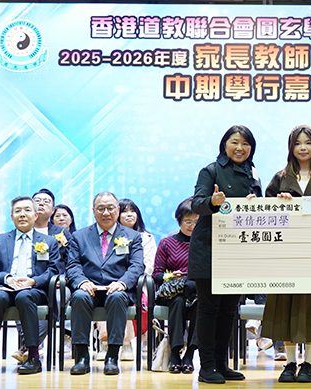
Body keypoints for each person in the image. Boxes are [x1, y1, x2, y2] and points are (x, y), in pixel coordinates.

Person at [261, 125, 311, 383]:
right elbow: (265, 214)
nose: (303, 148)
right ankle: (289, 363)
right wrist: (278, 202)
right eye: (298, 143)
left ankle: (309, 364)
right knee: (285, 306)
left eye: (308, 142)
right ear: (291, 147)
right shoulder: (279, 178)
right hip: (286, 254)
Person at [191, 125, 262, 384]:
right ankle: (206, 366)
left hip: (237, 250)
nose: (240, 148)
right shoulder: (210, 170)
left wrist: (256, 202)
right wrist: (213, 202)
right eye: (235, 142)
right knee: (209, 309)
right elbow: (197, 203)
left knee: (229, 310)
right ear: (225, 145)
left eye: (245, 143)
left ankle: (221, 364)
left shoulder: (253, 172)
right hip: (209, 248)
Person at [0, 196, 60, 375]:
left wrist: (33, 281)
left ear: (36, 215)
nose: (22, 214)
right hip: (4, 287)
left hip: (34, 289)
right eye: (18, 211)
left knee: (24, 296)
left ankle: (33, 357)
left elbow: (54, 271)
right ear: (12, 216)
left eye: (27, 210)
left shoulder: (49, 242)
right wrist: (7, 278)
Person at [67, 191, 145, 375]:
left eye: (110, 208)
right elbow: (72, 264)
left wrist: (123, 283)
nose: (106, 213)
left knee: (117, 297)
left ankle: (112, 356)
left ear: (117, 210)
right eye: (101, 208)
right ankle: (81, 357)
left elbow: (137, 265)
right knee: (79, 296)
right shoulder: (79, 236)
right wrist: (82, 281)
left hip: (117, 288)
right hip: (89, 288)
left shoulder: (132, 236)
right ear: (93, 211)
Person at [13, 188, 73, 363]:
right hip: (27, 282)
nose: (41, 203)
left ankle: (28, 345)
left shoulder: (62, 233)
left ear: (53, 210)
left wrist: (64, 278)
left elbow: (72, 260)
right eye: (37, 200)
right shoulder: (21, 232)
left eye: (46, 201)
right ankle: (31, 345)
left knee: (58, 298)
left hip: (57, 283)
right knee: (19, 295)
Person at [95, 197, 155, 362]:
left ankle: (126, 343)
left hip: (138, 283)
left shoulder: (147, 237)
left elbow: (148, 265)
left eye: (133, 211)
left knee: (125, 296)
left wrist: (127, 279)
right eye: (125, 211)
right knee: (108, 293)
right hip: (110, 282)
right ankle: (105, 342)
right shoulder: (107, 236)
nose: (129, 215)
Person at [153, 197, 199, 374]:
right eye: (188, 221)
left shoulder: (205, 243)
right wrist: (170, 276)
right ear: (179, 221)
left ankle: (189, 354)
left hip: (197, 291)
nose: (192, 226)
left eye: (196, 222)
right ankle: (175, 352)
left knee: (200, 304)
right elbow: (156, 274)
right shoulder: (167, 243)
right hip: (174, 293)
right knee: (178, 301)